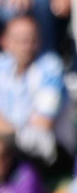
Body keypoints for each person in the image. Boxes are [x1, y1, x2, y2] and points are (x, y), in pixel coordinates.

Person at [0, 15, 65, 166]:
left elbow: (42, 124)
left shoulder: (51, 67)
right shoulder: (3, 65)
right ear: (5, 41)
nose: (26, 45)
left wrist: (5, 131)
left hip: (47, 152)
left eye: (31, 39)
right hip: (10, 142)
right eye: (20, 40)